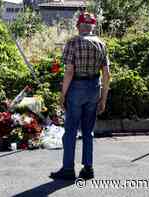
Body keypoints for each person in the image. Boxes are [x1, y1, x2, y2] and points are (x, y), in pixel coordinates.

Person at [50, 12, 111, 180]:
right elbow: (106, 74)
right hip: (94, 88)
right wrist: (103, 98)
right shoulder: (101, 44)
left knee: (70, 130)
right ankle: (88, 168)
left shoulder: (73, 43)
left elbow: (69, 71)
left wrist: (63, 95)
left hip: (76, 88)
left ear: (78, 26)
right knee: (88, 131)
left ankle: (68, 169)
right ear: (93, 26)